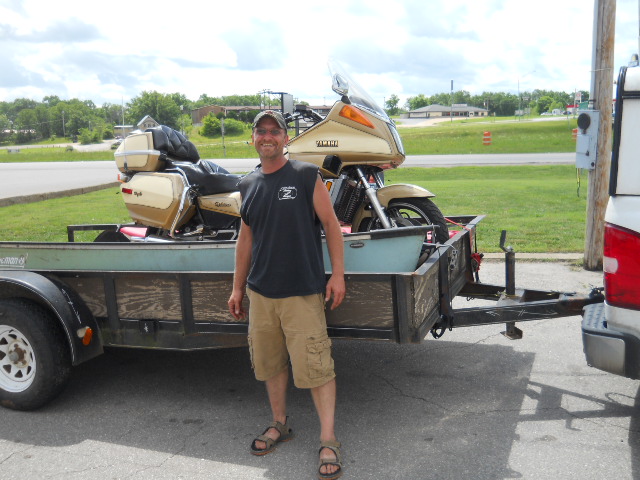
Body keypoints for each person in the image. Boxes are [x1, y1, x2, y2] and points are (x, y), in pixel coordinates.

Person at [228, 110, 346, 480]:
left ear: (286, 138)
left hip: (302, 292)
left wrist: (337, 275)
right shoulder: (247, 183)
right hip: (261, 294)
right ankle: (279, 423)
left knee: (316, 367)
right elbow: (245, 239)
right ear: (253, 138)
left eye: (274, 131)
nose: (267, 137)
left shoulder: (306, 175)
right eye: (260, 131)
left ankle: (328, 439)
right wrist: (237, 287)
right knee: (271, 364)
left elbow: (331, 225)